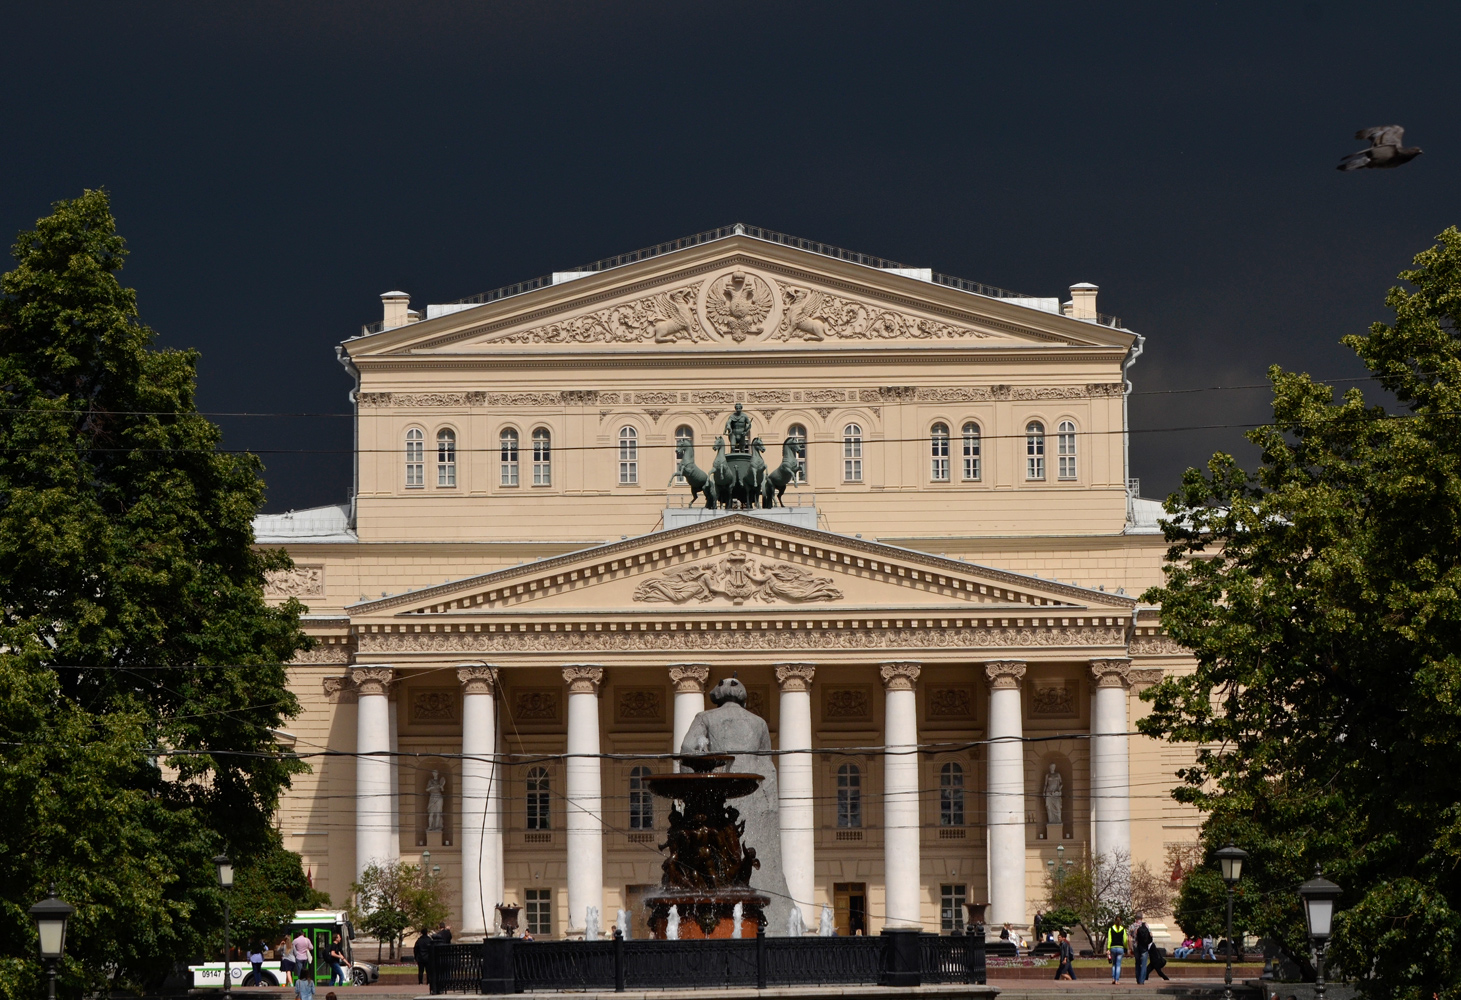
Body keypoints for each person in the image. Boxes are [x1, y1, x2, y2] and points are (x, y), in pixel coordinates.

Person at [292, 930, 314, 999]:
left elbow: (293, 948)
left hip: (298, 957)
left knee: (300, 971)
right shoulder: (307, 940)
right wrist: (306, 948)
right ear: (303, 934)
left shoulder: (295, 940)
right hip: (305, 957)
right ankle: (305, 982)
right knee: (304, 970)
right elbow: (311, 947)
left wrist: (296, 953)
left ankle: (300, 985)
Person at [1134, 914, 1153, 985]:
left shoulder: (1133, 926)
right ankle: (1142, 980)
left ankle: (1138, 979)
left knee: (1137, 963)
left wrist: (1130, 947)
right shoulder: (1146, 926)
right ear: (1142, 918)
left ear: (1135, 918)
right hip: (1145, 947)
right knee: (1144, 964)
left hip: (1136, 946)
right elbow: (1150, 935)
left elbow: (1131, 937)